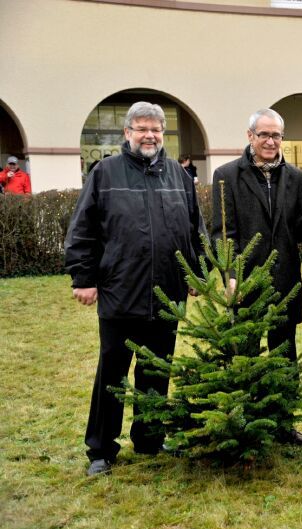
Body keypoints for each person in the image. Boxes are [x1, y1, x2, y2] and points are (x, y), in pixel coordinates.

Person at [64, 102, 205, 476]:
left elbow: (195, 229)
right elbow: (83, 229)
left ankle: (149, 437)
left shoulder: (177, 174)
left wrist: (198, 274)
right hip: (119, 291)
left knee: (157, 369)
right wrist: (83, 277)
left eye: (156, 129)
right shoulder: (105, 173)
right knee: (112, 372)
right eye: (142, 128)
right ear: (127, 133)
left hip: (166, 293)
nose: (150, 135)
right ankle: (101, 449)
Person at [210, 108, 302, 445]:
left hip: (285, 279)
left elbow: (299, 228)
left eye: (276, 135)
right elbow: (222, 232)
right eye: (264, 135)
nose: (271, 141)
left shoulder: (295, 177)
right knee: (247, 353)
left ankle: (284, 425)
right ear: (250, 136)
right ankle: (249, 425)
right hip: (245, 282)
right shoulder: (226, 175)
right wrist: (231, 273)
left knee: (285, 353)